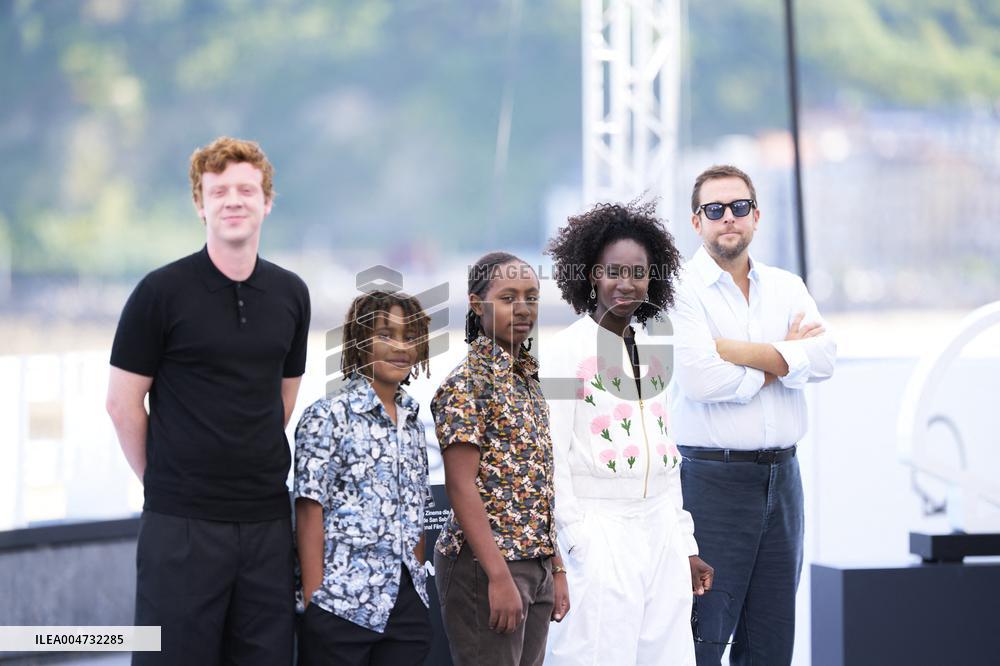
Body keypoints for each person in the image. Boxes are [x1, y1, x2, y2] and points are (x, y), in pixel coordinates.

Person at [106, 136, 311, 665]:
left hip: (266, 522)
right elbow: (122, 403)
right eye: (218, 191)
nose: (233, 200)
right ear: (200, 205)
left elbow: (282, 399)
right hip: (181, 525)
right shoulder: (160, 292)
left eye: (246, 189)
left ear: (268, 201)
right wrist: (165, 482)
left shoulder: (291, 295)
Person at [671, 165, 837, 665]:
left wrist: (739, 351)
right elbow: (704, 381)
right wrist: (788, 358)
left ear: (756, 216)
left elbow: (826, 358)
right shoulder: (679, 290)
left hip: (783, 479)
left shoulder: (787, 286)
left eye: (739, 207)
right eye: (715, 209)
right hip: (710, 482)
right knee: (704, 637)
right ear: (696, 221)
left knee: (770, 641)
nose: (729, 218)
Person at [541, 201, 713, 666]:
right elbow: (550, 458)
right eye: (614, 271)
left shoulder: (653, 350)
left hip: (660, 531)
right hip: (600, 531)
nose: (627, 283)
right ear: (592, 275)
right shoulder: (562, 353)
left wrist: (685, 545)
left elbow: (666, 454)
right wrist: (576, 543)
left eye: (639, 272)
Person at [432, 252, 570, 666]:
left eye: (532, 297)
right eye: (509, 297)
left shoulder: (526, 379)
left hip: (537, 564)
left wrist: (556, 568)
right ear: (477, 304)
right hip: (486, 567)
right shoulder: (466, 383)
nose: (524, 308)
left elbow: (537, 484)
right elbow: (460, 485)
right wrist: (497, 576)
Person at [294, 290, 434, 666]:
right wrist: (314, 598)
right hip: (340, 606)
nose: (400, 347)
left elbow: (417, 513)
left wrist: (416, 587)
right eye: (386, 335)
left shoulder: (414, 424)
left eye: (410, 337)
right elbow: (309, 509)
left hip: (404, 610)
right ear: (360, 342)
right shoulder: (327, 415)